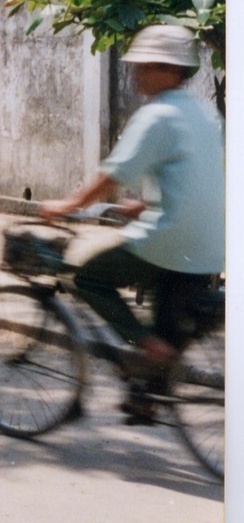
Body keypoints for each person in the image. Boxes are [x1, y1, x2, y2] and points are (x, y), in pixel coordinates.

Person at [40, 24, 223, 420]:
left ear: (170, 70)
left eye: (145, 66)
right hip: (211, 244)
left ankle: (144, 345)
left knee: (89, 277)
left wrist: (67, 205)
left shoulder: (157, 115)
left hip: (172, 239)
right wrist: (145, 205)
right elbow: (198, 176)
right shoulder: (205, 114)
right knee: (167, 321)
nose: (137, 74)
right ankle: (146, 398)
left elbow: (112, 176)